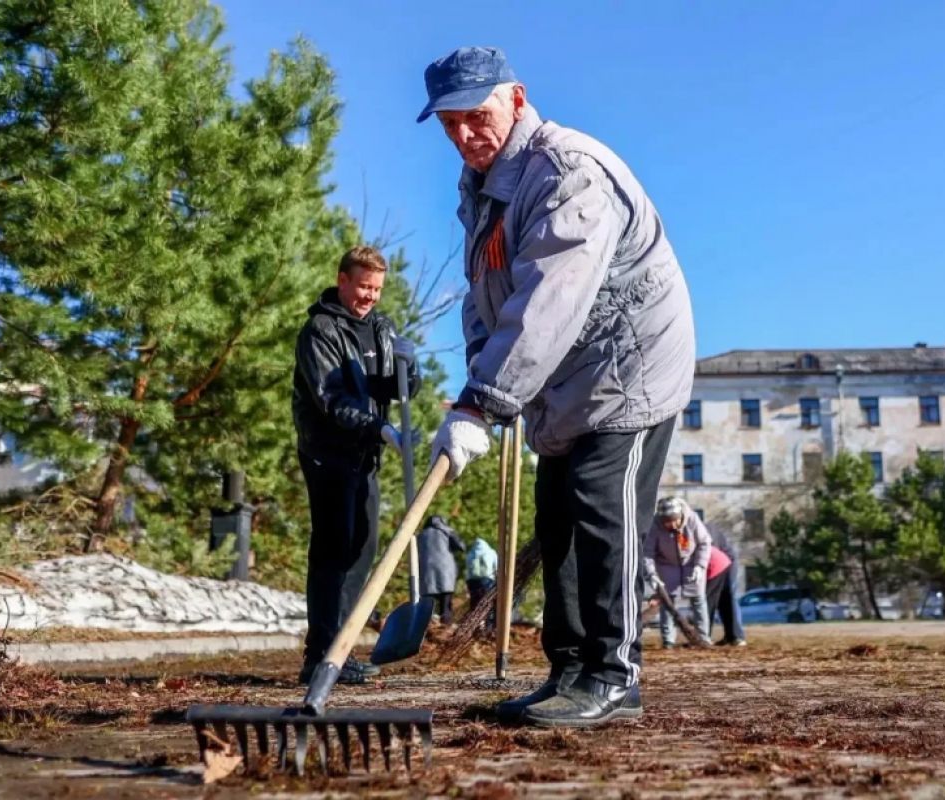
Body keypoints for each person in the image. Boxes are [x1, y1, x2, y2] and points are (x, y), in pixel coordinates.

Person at [419, 46, 695, 727]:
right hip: (564, 372)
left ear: (516, 98)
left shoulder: (565, 172)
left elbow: (550, 296)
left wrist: (485, 400)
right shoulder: (482, 182)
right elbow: (488, 290)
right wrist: (480, 373)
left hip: (627, 363)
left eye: (474, 116)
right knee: (558, 514)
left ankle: (613, 674)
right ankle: (569, 671)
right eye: (449, 124)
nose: (462, 136)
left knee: (602, 509)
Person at [292, 245, 421, 684]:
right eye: (363, 286)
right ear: (343, 280)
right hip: (328, 454)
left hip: (365, 456)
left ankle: (341, 648)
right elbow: (332, 400)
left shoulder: (381, 329)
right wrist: (380, 429)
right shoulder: (320, 331)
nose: (369, 296)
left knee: (361, 549)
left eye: (377, 289)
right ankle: (320, 656)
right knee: (334, 550)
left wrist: (410, 368)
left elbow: (391, 388)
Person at [644, 497, 712, 648]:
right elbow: (647, 552)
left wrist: (700, 566)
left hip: (691, 564)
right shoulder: (655, 524)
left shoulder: (693, 519)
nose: (671, 524)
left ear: (680, 516)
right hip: (666, 566)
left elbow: (704, 543)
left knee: (699, 601)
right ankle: (668, 640)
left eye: (674, 520)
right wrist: (652, 574)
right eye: (666, 521)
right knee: (668, 603)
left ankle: (703, 638)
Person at [417, 515, 467, 624]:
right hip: (445, 573)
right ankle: (445, 629)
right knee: (446, 606)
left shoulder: (420, 535)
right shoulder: (446, 532)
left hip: (426, 575)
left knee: (427, 607)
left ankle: (425, 631)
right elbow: (461, 547)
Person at [707, 525, 747, 646]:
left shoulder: (703, 530)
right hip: (714, 565)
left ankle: (736, 636)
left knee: (728, 597)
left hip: (727, 563)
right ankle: (728, 636)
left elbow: (711, 554)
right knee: (717, 600)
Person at [465, 537, 499, 615]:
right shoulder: (491, 552)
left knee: (474, 602)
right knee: (487, 601)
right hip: (487, 580)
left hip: (472, 581)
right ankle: (488, 623)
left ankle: (474, 623)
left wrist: (467, 583)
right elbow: (497, 567)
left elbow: (468, 569)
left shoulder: (470, 553)